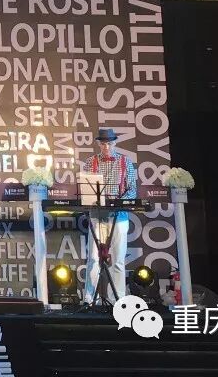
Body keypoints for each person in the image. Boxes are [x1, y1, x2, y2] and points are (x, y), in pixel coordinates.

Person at [80, 127, 138, 303]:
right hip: (97, 214)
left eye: (109, 144)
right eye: (103, 144)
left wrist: (118, 202)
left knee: (118, 259)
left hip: (118, 216)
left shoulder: (125, 162)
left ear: (115, 143)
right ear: (99, 144)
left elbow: (132, 189)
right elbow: (86, 189)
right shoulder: (90, 162)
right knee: (93, 258)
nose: (106, 147)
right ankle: (90, 299)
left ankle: (117, 299)